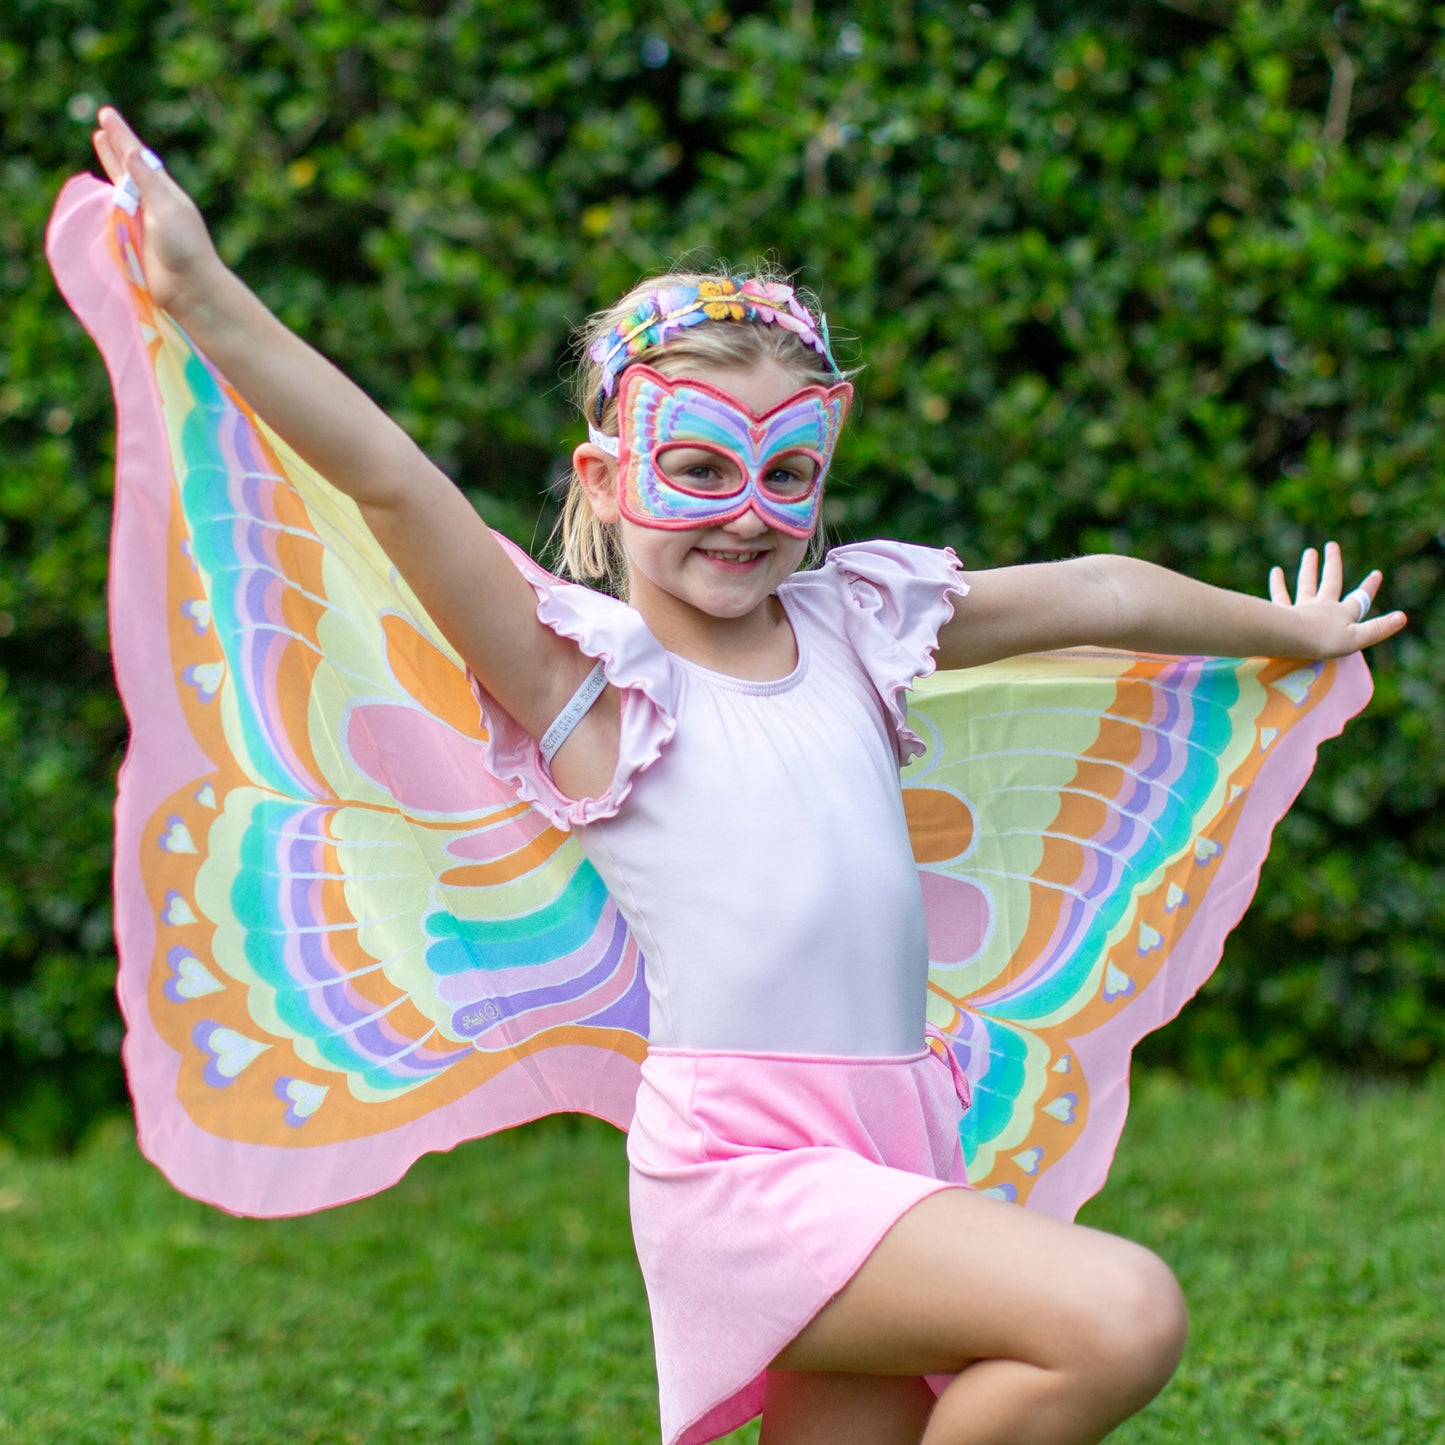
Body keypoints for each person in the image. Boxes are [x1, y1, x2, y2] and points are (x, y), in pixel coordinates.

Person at [89, 106, 1406, 1445]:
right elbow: (389, 482)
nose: (744, 512)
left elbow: (1102, 592)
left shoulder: (854, 622)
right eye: (699, 465)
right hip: (742, 1170)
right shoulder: (586, 687)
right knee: (1118, 1311)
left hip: (894, 1128)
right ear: (605, 480)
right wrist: (203, 294)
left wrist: (1284, 629)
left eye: (787, 474)